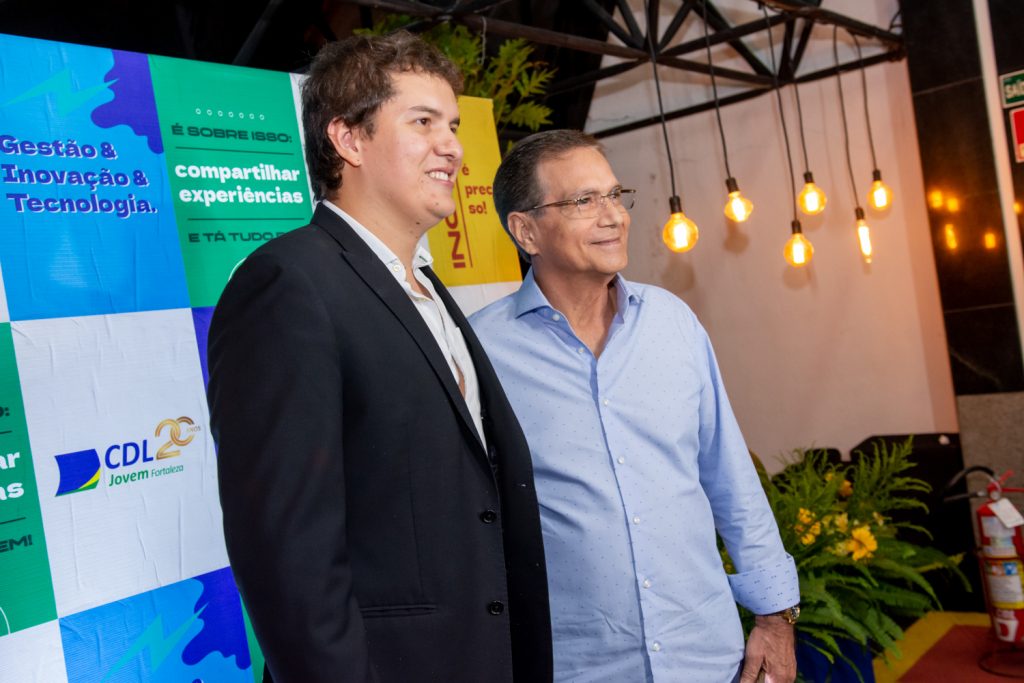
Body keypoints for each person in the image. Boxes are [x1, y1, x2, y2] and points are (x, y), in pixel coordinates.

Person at [207, 32, 552, 683]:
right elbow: (289, 556)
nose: (452, 146)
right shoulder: (287, 284)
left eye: (453, 125)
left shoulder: (431, 291)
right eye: (423, 122)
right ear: (349, 139)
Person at [469, 129, 800, 683]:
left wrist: (775, 616)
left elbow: (729, 476)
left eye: (615, 195)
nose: (614, 217)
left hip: (707, 658)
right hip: (579, 666)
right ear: (526, 230)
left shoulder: (674, 323)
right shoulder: (480, 351)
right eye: (584, 201)